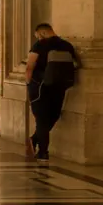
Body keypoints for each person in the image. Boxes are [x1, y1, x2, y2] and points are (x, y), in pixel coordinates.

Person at [26, 23, 79, 160]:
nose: (38, 38)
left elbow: (29, 66)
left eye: (38, 36)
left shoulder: (39, 45)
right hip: (59, 86)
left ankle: (43, 151)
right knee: (53, 116)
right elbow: (75, 64)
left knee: (41, 119)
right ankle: (35, 141)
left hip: (40, 86)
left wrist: (28, 83)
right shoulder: (67, 45)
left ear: (42, 33)